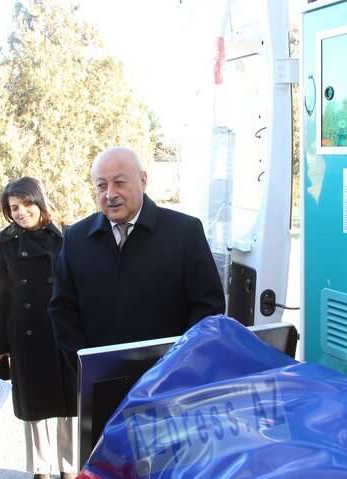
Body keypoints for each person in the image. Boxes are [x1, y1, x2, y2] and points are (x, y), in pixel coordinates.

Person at [49, 146, 225, 363]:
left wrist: (179, 364)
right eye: (101, 185)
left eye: (120, 183)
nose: (110, 194)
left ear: (143, 180)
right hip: (100, 377)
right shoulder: (76, 238)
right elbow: (62, 310)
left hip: (171, 374)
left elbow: (208, 307)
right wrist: (86, 365)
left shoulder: (185, 232)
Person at [0, 177, 75, 479]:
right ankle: (40, 467)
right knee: (34, 403)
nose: (21, 212)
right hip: (24, 331)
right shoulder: (4, 243)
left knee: (69, 402)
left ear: (40, 202)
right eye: (14, 207)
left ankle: (69, 465)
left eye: (26, 204)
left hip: (62, 329)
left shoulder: (66, 235)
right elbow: (1, 295)